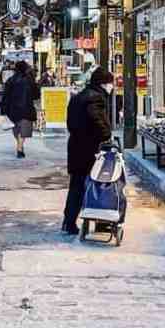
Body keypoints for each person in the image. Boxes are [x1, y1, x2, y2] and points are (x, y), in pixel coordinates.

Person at [62, 67, 114, 235]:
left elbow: (70, 122)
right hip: (91, 150)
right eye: (110, 83)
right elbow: (96, 119)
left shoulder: (78, 97)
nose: (111, 87)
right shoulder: (96, 99)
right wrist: (106, 133)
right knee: (100, 186)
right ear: (103, 83)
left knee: (76, 186)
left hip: (76, 147)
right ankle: (101, 222)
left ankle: (69, 222)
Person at [2, 61, 38, 158]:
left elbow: (5, 96)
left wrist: (4, 110)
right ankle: (20, 148)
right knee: (24, 131)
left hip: (12, 110)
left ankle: (19, 146)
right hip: (26, 109)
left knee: (17, 130)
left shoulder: (10, 80)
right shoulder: (29, 80)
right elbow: (36, 95)